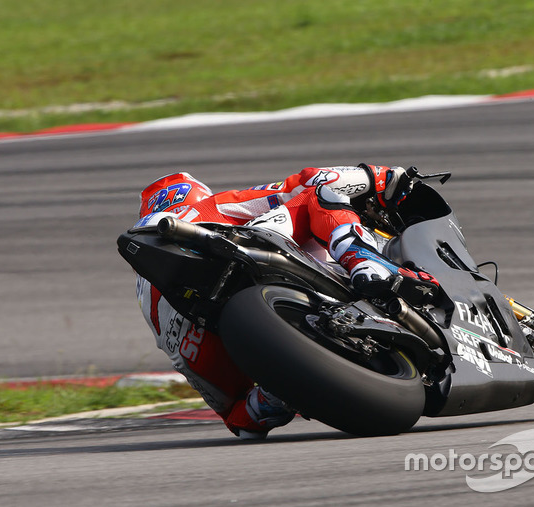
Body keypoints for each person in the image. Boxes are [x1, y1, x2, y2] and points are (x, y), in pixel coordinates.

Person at [133, 165, 439, 439]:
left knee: (239, 419)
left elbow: (229, 416)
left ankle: (269, 399)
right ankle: (363, 261)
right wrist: (382, 177)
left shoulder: (147, 296)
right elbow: (308, 181)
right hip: (243, 257)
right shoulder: (204, 208)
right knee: (319, 194)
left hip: (189, 328)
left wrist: (272, 388)